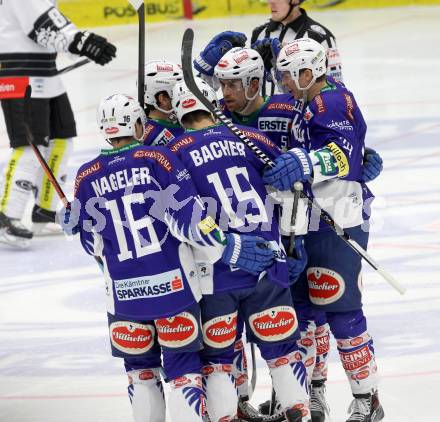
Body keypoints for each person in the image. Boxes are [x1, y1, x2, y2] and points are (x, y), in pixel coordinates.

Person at [64, 93, 275, 422]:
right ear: (136, 124)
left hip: (124, 298)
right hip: (173, 290)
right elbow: (192, 220)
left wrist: (75, 223)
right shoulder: (158, 159)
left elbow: (93, 246)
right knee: (184, 372)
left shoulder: (85, 176)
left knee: (141, 374)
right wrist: (230, 245)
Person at [168, 77, 311, 422]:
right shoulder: (251, 140)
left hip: (216, 274)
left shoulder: (172, 155)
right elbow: (293, 187)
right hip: (267, 262)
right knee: (282, 351)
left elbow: (178, 215)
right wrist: (295, 243)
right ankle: (300, 414)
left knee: (218, 360)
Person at [263, 38, 385, 422]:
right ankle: (312, 395)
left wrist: (304, 161)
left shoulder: (326, 101)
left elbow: (340, 152)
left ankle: (367, 399)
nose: (281, 81)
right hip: (312, 217)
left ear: (308, 71)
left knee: (342, 311)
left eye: (287, 73)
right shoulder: (311, 100)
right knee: (307, 315)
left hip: (339, 219)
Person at [0, 0, 116, 248]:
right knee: (30, 147)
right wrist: (82, 41)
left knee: (62, 138)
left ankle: (43, 210)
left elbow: (49, 27)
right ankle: (6, 216)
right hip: (20, 74)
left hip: (44, 73)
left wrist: (80, 46)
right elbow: (42, 23)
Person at [251, 0, 342, 95]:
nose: (271, 2)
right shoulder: (259, 33)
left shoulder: (322, 37)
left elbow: (335, 89)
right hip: (264, 110)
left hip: (303, 110)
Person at [143, 60, 185, 146]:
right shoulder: (158, 137)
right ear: (163, 99)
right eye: (179, 90)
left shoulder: (143, 122)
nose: (184, 93)